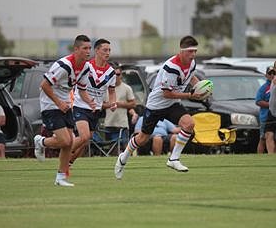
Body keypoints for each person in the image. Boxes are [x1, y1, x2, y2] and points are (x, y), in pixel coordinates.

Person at [114, 35, 206, 179]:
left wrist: (201, 87)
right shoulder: (171, 67)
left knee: (189, 124)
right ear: (181, 51)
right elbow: (167, 94)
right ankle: (123, 157)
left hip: (172, 104)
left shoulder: (191, 63)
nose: (193, 54)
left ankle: (173, 159)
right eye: (190, 51)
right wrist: (190, 95)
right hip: (156, 105)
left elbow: (191, 77)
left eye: (195, 51)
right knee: (143, 138)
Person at [33, 35, 96, 187]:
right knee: (64, 140)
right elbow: (44, 85)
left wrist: (90, 102)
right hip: (50, 104)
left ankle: (60, 178)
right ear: (76, 49)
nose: (88, 52)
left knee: (69, 144)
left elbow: (81, 90)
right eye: (85, 48)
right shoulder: (64, 65)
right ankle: (40, 141)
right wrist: (58, 102)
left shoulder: (86, 67)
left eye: (89, 48)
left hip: (66, 105)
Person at [69, 38, 117, 164]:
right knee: (84, 136)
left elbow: (112, 91)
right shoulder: (86, 66)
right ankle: (63, 153)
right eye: (105, 50)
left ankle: (69, 162)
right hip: (80, 105)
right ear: (96, 50)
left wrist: (113, 102)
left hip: (96, 109)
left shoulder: (111, 72)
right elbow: (74, 83)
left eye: (109, 50)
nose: (107, 53)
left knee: (86, 141)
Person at [103, 63, 138, 154]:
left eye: (118, 74)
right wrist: (112, 104)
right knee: (112, 149)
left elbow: (133, 104)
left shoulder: (127, 88)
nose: (116, 76)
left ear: (121, 75)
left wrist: (120, 104)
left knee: (125, 147)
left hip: (122, 124)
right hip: (109, 123)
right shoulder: (106, 88)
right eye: (114, 74)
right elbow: (100, 105)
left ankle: (128, 163)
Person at [255, 66, 275, 153]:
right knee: (263, 138)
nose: (272, 75)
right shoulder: (264, 88)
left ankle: (275, 157)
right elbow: (258, 101)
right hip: (266, 117)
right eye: (270, 73)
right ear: (266, 75)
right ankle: (260, 157)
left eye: (274, 73)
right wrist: (271, 105)